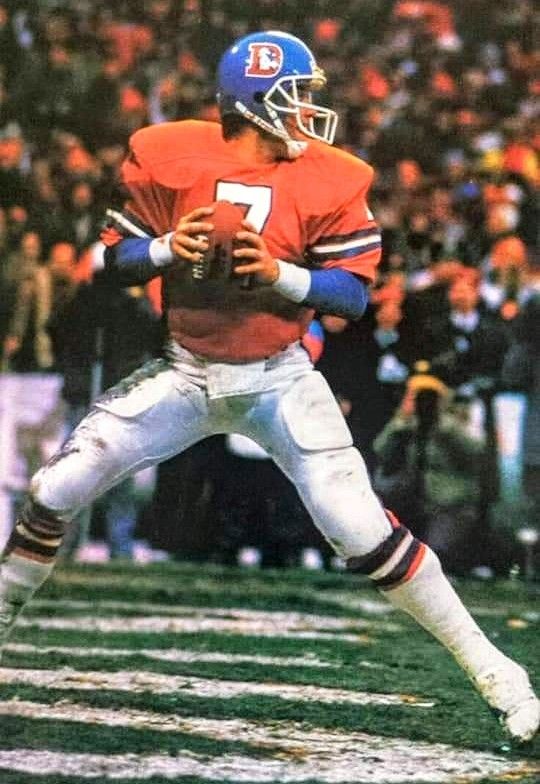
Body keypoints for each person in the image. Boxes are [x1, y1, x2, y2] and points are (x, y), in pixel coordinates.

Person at [0, 30, 537, 743]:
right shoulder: (168, 155)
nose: (311, 109)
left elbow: (350, 295)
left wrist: (279, 273)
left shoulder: (332, 176)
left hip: (278, 376)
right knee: (53, 492)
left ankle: (501, 674)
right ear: (254, 104)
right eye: (298, 95)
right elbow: (115, 259)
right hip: (186, 370)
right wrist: (165, 249)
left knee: (360, 530)